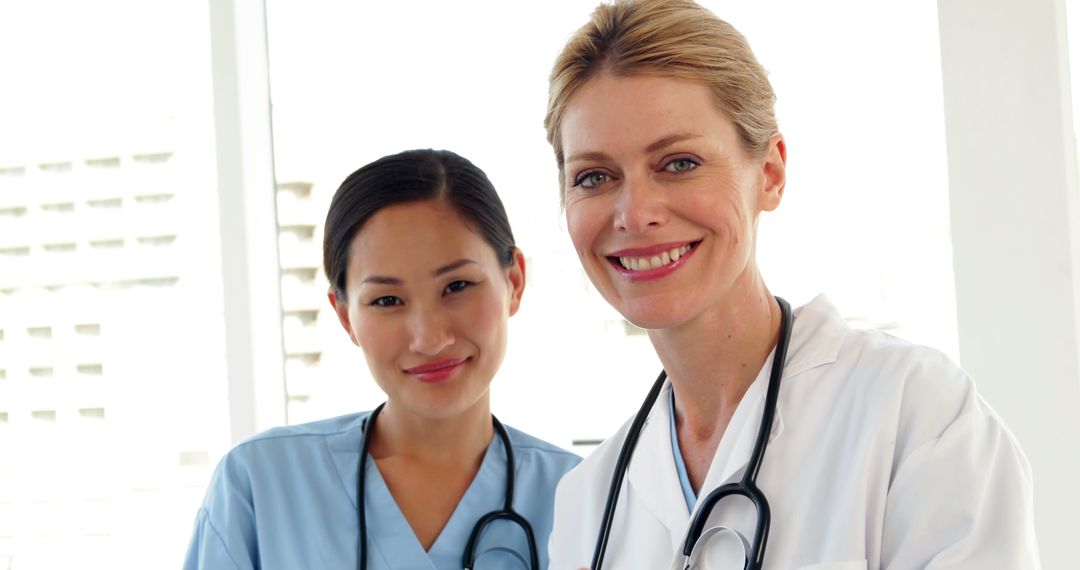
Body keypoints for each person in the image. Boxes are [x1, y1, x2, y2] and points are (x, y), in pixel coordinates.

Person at [542, 1, 1039, 569]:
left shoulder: (912, 415)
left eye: (678, 163)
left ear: (770, 173)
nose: (634, 213)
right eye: (595, 177)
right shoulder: (590, 500)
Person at [183, 149, 580, 570]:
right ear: (344, 316)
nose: (429, 338)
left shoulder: (583, 494)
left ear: (514, 281)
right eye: (387, 300)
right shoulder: (260, 486)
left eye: (457, 285)